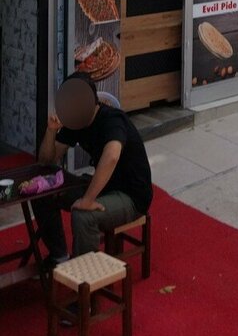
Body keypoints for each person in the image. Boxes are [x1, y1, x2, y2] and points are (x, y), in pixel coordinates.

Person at [33, 72, 153, 265]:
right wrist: (51, 130)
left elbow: (112, 156)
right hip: (105, 186)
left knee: (83, 216)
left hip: (131, 195)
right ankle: (59, 257)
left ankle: (84, 277)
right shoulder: (76, 119)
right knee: (43, 192)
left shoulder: (112, 119)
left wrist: (88, 200)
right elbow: (46, 161)